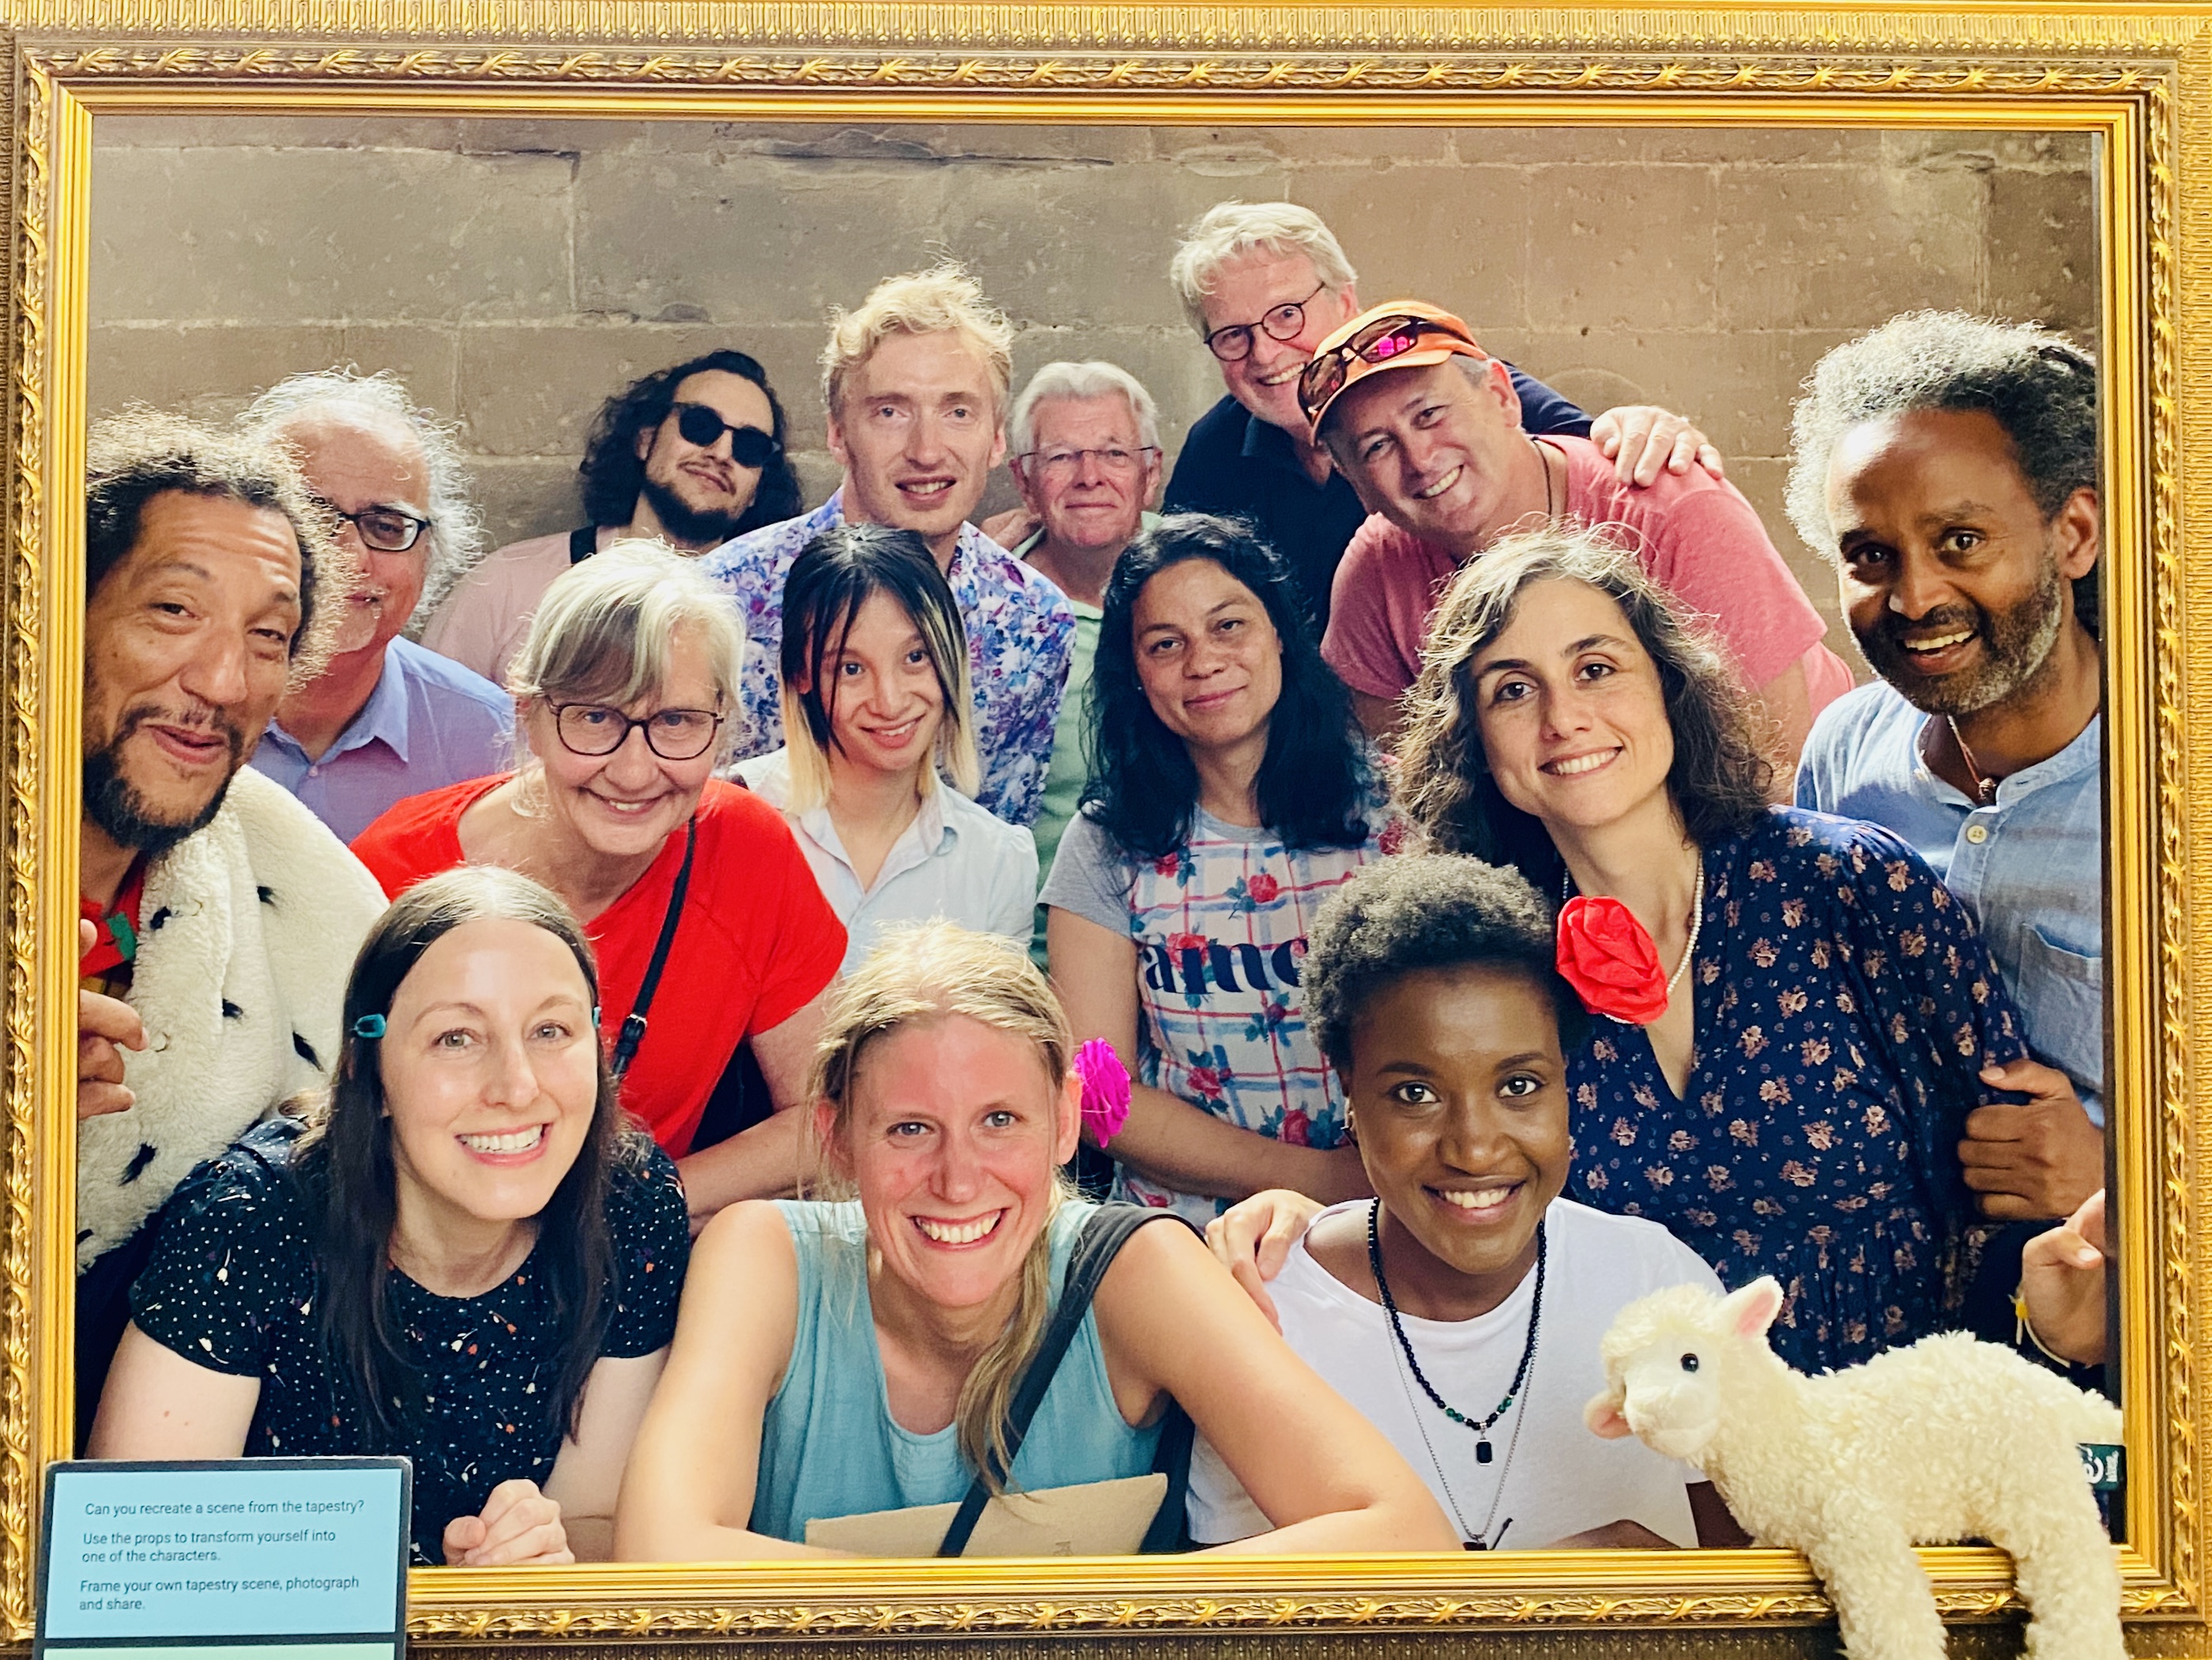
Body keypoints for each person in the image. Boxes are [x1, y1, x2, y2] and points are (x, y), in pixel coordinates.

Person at [1393, 526, 2093, 1374]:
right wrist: (1293, 1222)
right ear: (1474, 739)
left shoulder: (1848, 884)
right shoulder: (1499, 969)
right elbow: (1452, 1204)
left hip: (1906, 1415)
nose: (1563, 718)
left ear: (1667, 686)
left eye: (1596, 669)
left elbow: (2017, 1196)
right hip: (1648, 1435)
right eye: (1512, 690)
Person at [613, 922, 1458, 1560]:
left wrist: (1051, 1621)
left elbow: (1401, 1531)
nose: (957, 1180)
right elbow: (659, 1548)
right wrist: (1015, 1620)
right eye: (909, 1128)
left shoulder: (1132, 1269)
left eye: (999, 1121)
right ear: (838, 1140)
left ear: (1062, 1122)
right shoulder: (763, 1255)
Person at [90, 866, 690, 1567]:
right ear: (366, 1071)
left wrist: (526, 1568)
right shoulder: (247, 1219)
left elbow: (598, 1520)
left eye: (551, 1030)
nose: (517, 1086)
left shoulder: (631, 1203)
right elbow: (141, 1562)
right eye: (456, 1038)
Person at [1186, 855, 1743, 1552]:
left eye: (1518, 1086)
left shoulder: (1653, 1282)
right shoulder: (1267, 1313)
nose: (1474, 1149)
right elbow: (1226, 1602)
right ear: (1349, 1092)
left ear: (1566, 1081)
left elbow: (1748, 1581)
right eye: (1415, 1094)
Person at [350, 542, 846, 1226]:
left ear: (722, 725)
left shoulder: (746, 849)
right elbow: (334, 1132)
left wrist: (640, 1212)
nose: (634, 772)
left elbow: (828, 1115)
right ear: (529, 715)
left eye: (676, 722)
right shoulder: (391, 875)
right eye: (595, 718)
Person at [74, 413, 389, 1439]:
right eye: (174, 610)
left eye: (268, 638)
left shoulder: (291, 878)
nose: (221, 683)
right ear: (54, 612)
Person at [1788, 312, 2105, 1226]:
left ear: (2073, 534)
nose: (1916, 596)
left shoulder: (2169, 779)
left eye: (1961, 540)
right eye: (1870, 556)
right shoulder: (1844, 755)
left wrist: (2118, 1180)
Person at [1304, 302, 1852, 762]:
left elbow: (1777, 768)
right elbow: (1401, 790)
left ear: (1502, 398)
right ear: (1355, 485)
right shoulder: (1375, 570)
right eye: (1376, 446)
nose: (1420, 459)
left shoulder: (1671, 509)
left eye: (1429, 414)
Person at [1041, 514, 1395, 1223]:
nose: (1202, 662)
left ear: (1279, 634)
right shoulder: (1104, 842)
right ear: (1134, 676)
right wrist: (1314, 1179)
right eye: (1164, 644)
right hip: (1186, 1237)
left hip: (1382, 1222)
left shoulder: (1398, 810)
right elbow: (1099, 1094)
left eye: (1228, 625)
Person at [1161, 201, 1721, 630]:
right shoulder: (1213, 452)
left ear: (1346, 301)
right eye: (1232, 336)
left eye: (1287, 314)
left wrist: (1647, 428)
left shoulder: (1457, 388)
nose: (1265, 353)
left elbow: (1602, 461)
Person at [702, 266, 1074, 826]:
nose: (926, 451)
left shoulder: (1035, 621)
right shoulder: (721, 598)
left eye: (957, 412)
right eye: (890, 412)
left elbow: (996, 836)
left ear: (996, 438)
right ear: (837, 435)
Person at [737, 523, 1038, 972]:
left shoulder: (999, 861)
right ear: (800, 675)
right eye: (851, 668)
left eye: (916, 657)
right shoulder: (728, 818)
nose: (890, 702)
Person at [425, 349, 803, 688]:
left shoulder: (780, 624)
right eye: (699, 425)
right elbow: (428, 722)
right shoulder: (506, 584)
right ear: (645, 440)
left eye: (750, 447)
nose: (721, 452)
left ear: (758, 487)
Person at [241, 371, 512, 842]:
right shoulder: (165, 704)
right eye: (310, 519)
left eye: (386, 526)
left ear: (430, 556)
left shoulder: (491, 741)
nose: (348, 558)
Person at [990, 360, 1164, 960]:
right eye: (1061, 457)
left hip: (1185, 943)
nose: (1090, 477)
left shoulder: (1205, 580)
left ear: (1150, 473)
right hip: (1025, 955)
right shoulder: (988, 604)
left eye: (1114, 454)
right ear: (1024, 483)